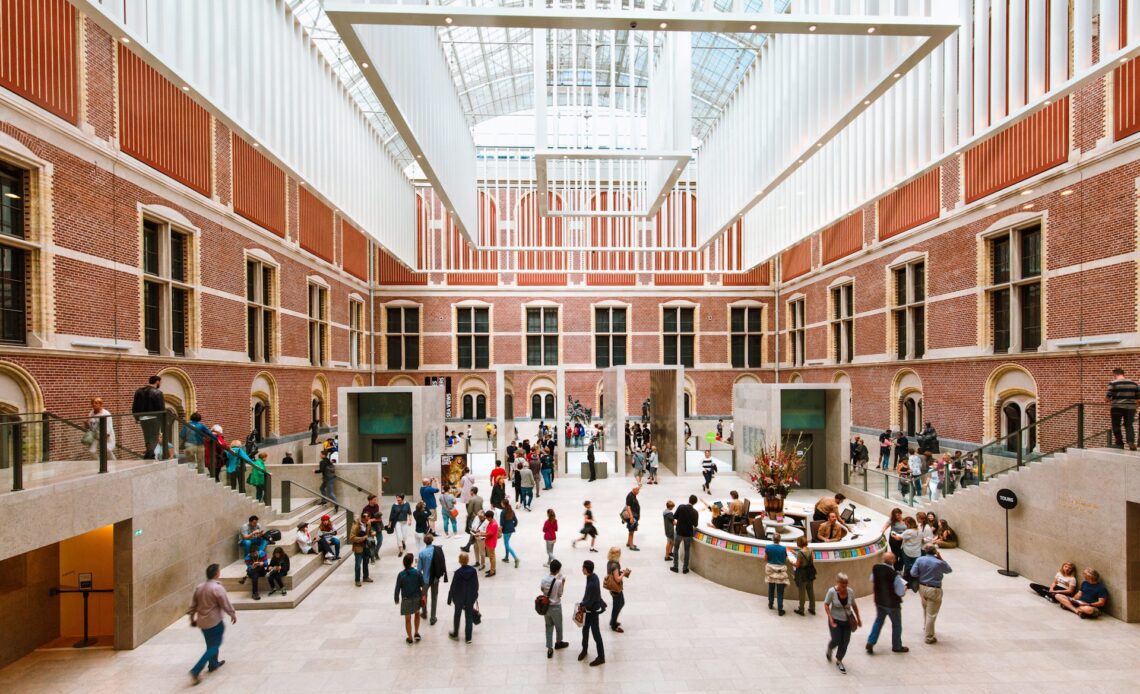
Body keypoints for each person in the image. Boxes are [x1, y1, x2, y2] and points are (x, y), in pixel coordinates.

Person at [186, 563, 236, 683]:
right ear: (216, 574)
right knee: (214, 646)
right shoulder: (217, 588)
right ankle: (196, 670)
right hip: (215, 622)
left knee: (210, 644)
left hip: (202, 623)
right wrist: (232, 613)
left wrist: (192, 618)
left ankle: (213, 664)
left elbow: (193, 605)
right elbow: (225, 603)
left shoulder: (199, 587)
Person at [865, 552, 908, 654]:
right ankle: (897, 646)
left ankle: (871, 642)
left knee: (878, 621)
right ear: (893, 561)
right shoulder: (895, 575)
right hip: (892, 604)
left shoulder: (876, 568)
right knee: (896, 624)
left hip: (879, 601)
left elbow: (872, 579)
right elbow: (900, 592)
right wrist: (905, 588)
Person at [910, 544, 952, 643]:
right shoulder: (939, 563)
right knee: (931, 614)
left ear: (925, 551)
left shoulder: (920, 560)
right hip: (934, 589)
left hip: (922, 588)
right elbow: (949, 570)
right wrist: (941, 559)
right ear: (935, 552)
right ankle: (929, 637)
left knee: (925, 608)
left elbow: (913, 573)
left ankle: (926, 627)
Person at [824, 572, 861, 674]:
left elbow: (854, 605)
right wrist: (830, 618)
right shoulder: (832, 592)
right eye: (842, 583)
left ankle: (839, 660)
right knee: (836, 639)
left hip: (847, 621)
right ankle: (830, 648)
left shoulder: (850, 592)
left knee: (845, 642)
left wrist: (858, 618)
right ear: (838, 582)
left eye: (846, 583)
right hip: (835, 620)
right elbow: (826, 604)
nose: (844, 586)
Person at [447, 552, 479, 643]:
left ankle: (455, 634)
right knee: (468, 617)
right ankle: (468, 638)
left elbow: (453, 586)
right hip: (469, 598)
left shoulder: (457, 573)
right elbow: (476, 585)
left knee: (457, 615)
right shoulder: (473, 571)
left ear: (459, 561)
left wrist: (449, 598)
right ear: (468, 560)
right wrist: (475, 595)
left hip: (459, 599)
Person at [579, 560, 606, 666]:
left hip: (592, 611)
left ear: (586, 569)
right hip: (589, 610)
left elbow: (589, 601)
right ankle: (584, 650)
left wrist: (581, 605)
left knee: (596, 634)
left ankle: (601, 657)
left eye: (583, 568)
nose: (582, 569)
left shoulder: (592, 583)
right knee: (585, 630)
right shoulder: (593, 576)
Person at [541, 559, 569, 657]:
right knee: (558, 626)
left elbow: (542, 589)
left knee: (548, 626)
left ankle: (549, 649)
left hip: (546, 607)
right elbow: (560, 594)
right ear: (558, 570)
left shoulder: (544, 579)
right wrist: (563, 582)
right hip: (556, 607)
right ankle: (558, 643)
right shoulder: (558, 582)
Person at [417, 533, 448, 625]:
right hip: (435, 578)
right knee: (434, 597)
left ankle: (424, 613)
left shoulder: (422, 553)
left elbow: (419, 570)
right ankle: (433, 618)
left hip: (425, 580)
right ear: (432, 540)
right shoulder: (438, 549)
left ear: (424, 542)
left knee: (424, 596)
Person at [132, 375, 165, 459]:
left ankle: (149, 453)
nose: (160, 384)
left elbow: (134, 406)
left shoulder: (138, 391)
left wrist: (137, 418)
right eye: (160, 382)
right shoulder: (158, 393)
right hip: (154, 418)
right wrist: (163, 419)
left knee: (147, 436)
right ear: (157, 381)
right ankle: (150, 454)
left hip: (142, 418)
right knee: (154, 437)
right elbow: (161, 408)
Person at [394, 553, 424, 644]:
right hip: (416, 597)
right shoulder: (417, 572)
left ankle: (410, 638)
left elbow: (397, 587)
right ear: (411, 562)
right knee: (417, 614)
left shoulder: (401, 574)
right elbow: (422, 584)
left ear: (404, 563)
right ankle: (416, 633)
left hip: (406, 599)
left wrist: (396, 598)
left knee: (407, 619)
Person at [1107, 367, 1139, 449]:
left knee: (1116, 425)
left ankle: (1119, 443)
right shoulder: (1134, 384)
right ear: (1123, 374)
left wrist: (1107, 400)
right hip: (1131, 408)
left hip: (1117, 407)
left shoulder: (1113, 383)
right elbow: (1138, 398)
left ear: (1115, 374)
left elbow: (1108, 397)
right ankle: (1131, 442)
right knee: (1129, 425)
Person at [671, 495, 699, 574]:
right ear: (695, 503)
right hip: (688, 534)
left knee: (676, 548)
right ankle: (685, 568)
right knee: (687, 550)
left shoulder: (681, 507)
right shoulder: (695, 512)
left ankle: (675, 567)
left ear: (689, 500)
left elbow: (675, 516)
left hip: (679, 532)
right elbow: (695, 524)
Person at [604, 547, 629, 633]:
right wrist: (624, 573)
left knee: (621, 603)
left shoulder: (609, 562)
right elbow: (618, 579)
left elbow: (612, 574)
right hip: (616, 588)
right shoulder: (615, 565)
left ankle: (613, 620)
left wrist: (620, 572)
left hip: (613, 588)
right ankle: (613, 624)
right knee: (617, 606)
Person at [764, 532, 790, 615]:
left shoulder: (768, 547)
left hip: (771, 570)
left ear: (772, 539)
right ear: (780, 539)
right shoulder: (783, 548)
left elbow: (765, 559)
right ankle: (780, 609)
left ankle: (770, 604)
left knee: (771, 588)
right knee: (780, 591)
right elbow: (784, 560)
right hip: (780, 572)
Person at [792, 535, 816, 615]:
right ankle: (812, 608)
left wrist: (792, 562)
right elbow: (811, 559)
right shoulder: (811, 550)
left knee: (802, 592)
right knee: (810, 591)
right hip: (810, 574)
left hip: (802, 575)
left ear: (799, 543)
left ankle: (801, 609)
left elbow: (797, 565)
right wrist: (794, 552)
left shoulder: (800, 553)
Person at [350, 513, 374, 587]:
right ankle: (357, 580)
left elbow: (369, 531)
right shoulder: (355, 526)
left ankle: (365, 577)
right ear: (362, 518)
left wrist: (372, 532)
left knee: (366, 562)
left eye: (368, 519)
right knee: (358, 564)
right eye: (366, 519)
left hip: (366, 546)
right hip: (358, 547)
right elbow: (352, 538)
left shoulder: (368, 523)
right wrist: (363, 538)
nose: (367, 521)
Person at [899, 517, 922, 585]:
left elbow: (899, 537)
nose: (904, 525)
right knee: (915, 567)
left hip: (907, 551)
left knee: (907, 566)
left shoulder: (908, 531)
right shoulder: (919, 530)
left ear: (908, 524)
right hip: (917, 552)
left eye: (905, 524)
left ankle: (907, 582)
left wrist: (893, 534)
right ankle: (915, 581)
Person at [362, 495, 384, 560]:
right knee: (372, 542)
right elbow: (365, 520)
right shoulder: (365, 509)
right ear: (370, 500)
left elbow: (379, 518)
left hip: (378, 526)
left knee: (380, 540)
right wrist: (374, 519)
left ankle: (375, 553)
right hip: (370, 527)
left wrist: (373, 519)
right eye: (374, 500)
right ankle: (372, 555)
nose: (376, 501)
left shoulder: (377, 506)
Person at [500, 501, 520, 568]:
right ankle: (506, 557)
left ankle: (516, 558)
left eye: (501, 503)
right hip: (511, 530)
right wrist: (512, 526)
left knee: (507, 545)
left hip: (505, 530)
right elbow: (516, 521)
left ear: (503, 504)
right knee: (507, 543)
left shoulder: (502, 512)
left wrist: (499, 531)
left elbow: (501, 524)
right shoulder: (511, 511)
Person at [623, 486, 641, 551]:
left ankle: (628, 543)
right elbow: (628, 507)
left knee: (631, 530)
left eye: (639, 490)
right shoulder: (630, 496)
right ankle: (631, 545)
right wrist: (631, 517)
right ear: (634, 490)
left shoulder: (633, 495)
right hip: (632, 517)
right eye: (637, 490)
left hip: (634, 516)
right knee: (631, 531)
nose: (638, 492)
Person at [482, 510, 500, 577]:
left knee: (492, 557)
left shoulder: (494, 524)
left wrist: (480, 534)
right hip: (488, 542)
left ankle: (493, 571)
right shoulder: (491, 522)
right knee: (491, 557)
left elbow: (488, 534)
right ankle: (492, 569)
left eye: (487, 517)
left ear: (490, 517)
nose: (486, 519)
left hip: (491, 543)